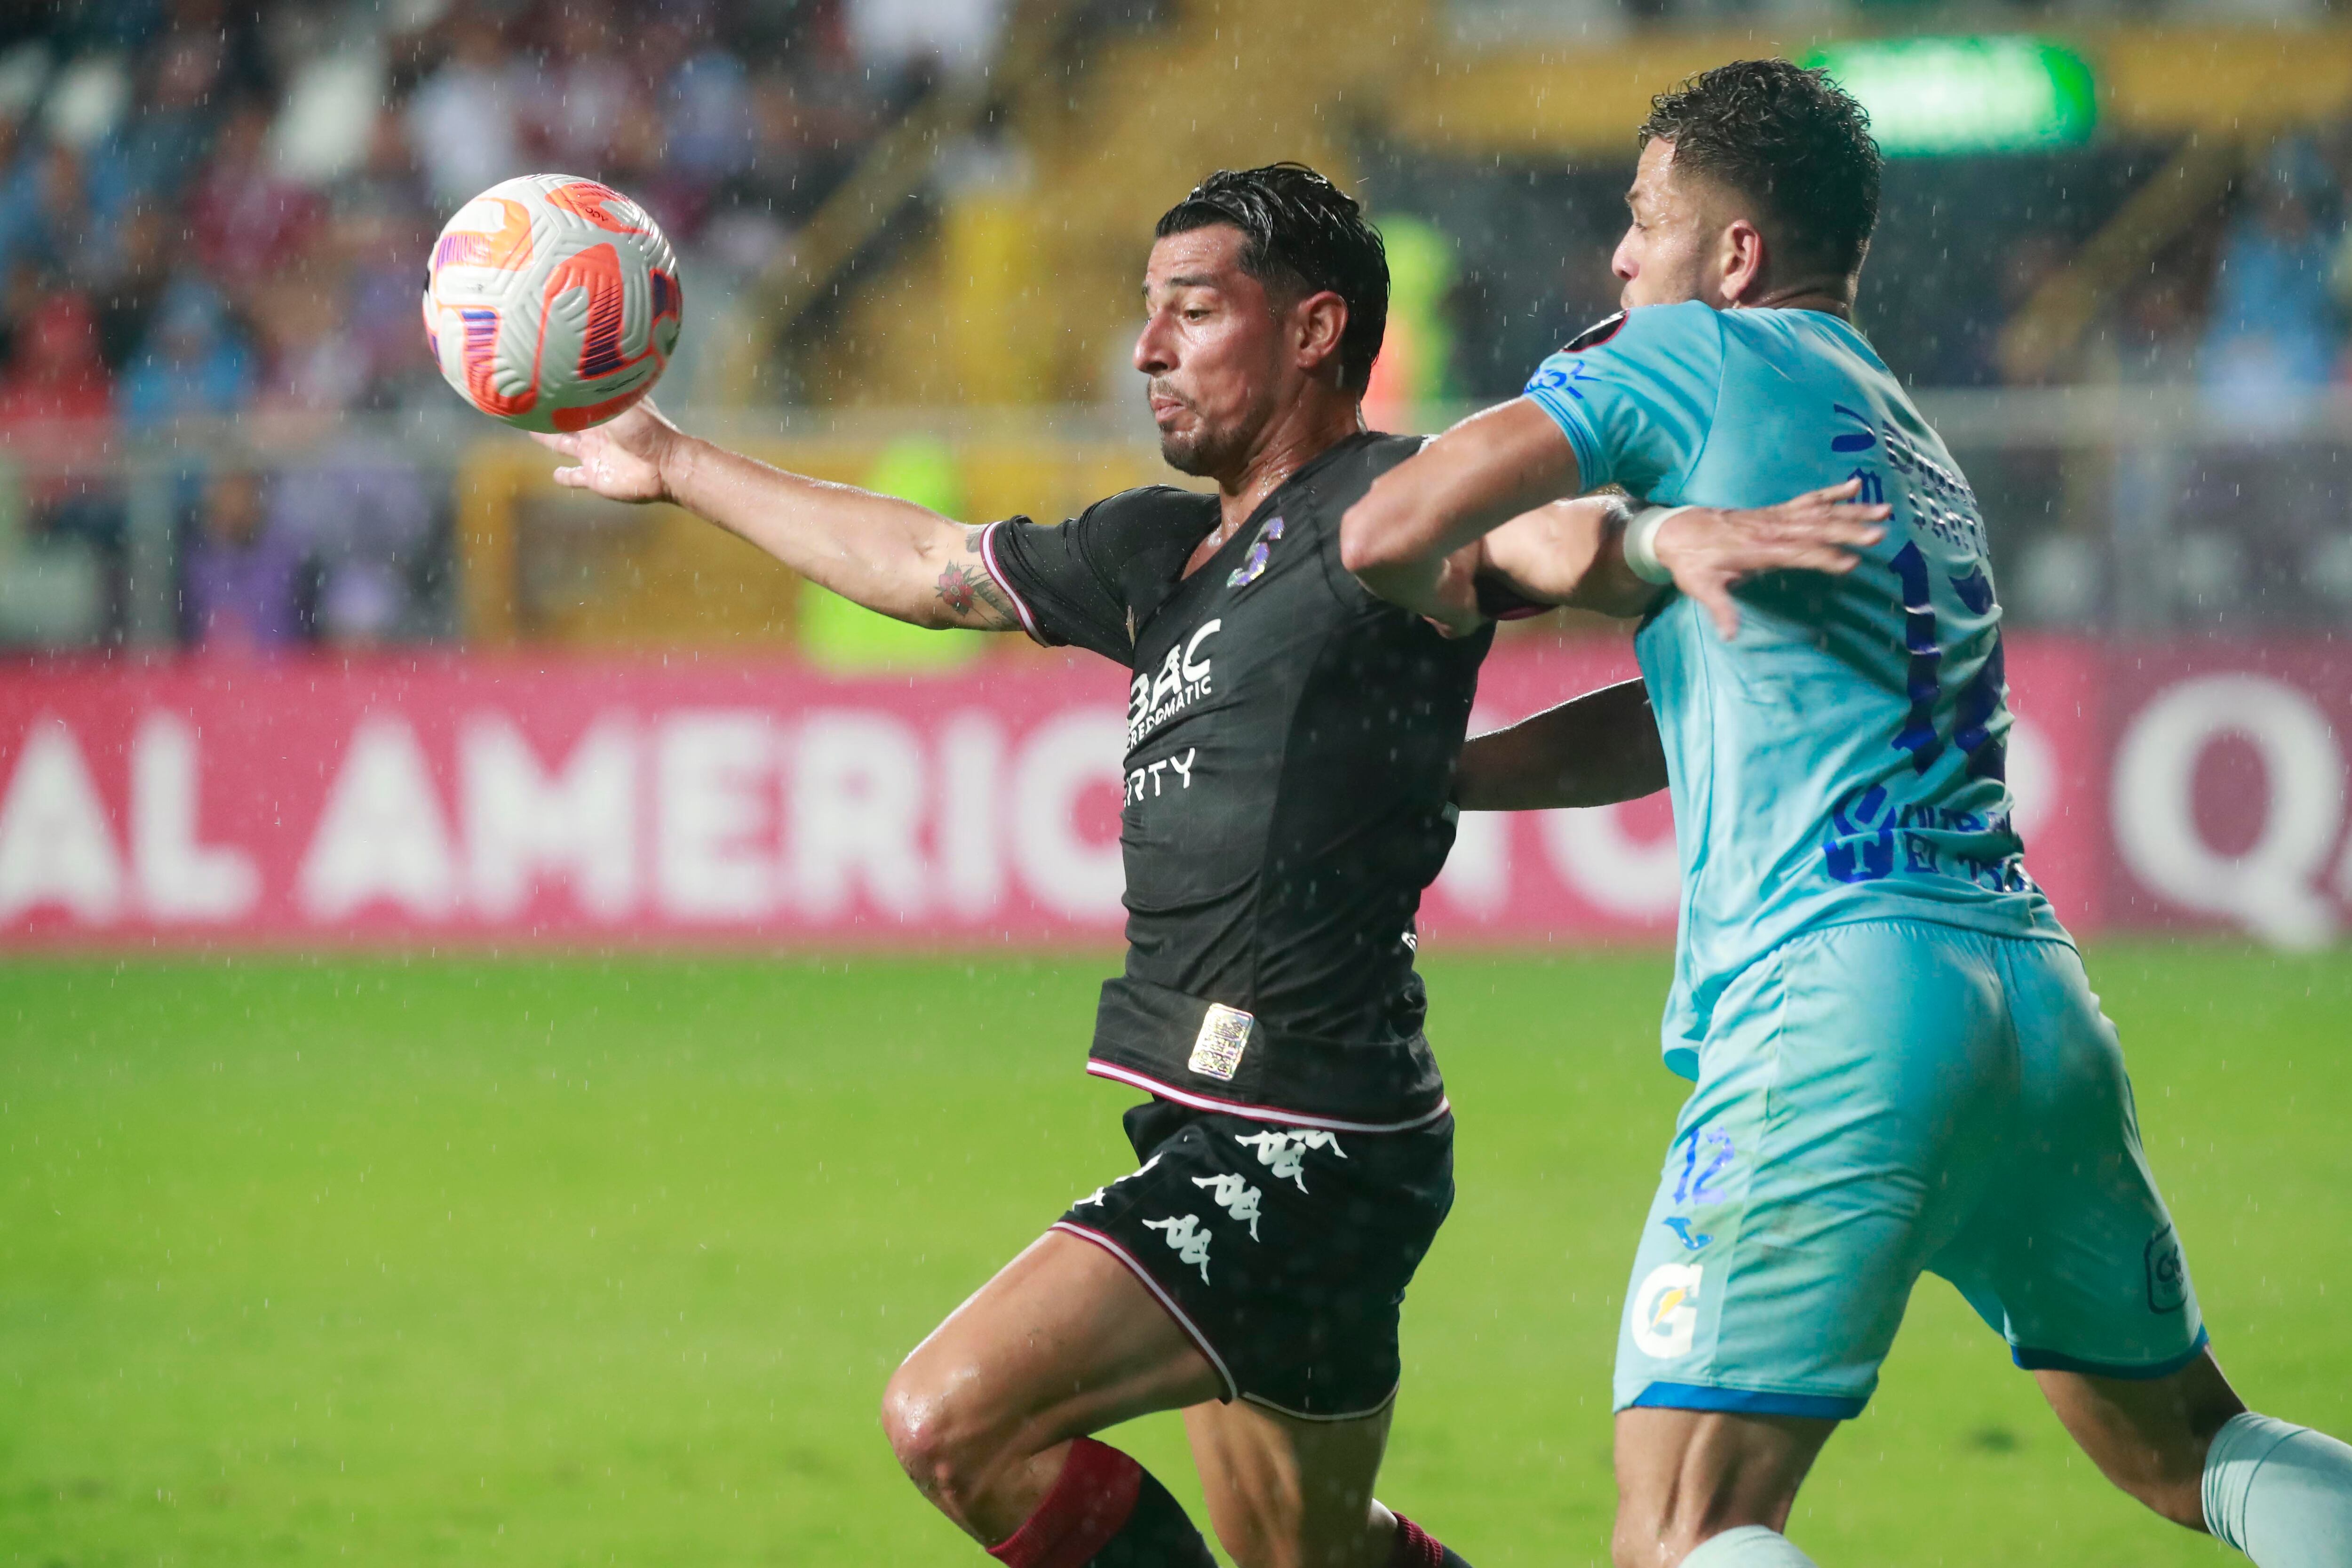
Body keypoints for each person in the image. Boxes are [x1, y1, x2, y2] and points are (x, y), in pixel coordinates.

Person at [535, 162, 1859, 1568]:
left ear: (1314, 331)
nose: (1146, 350)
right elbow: (928, 563)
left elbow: (1549, 536)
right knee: (1313, 1556)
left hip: (1308, 1130)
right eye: (1147, 311)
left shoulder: (1396, 499)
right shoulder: (1156, 551)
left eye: (1193, 311)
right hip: (1255, 1115)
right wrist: (674, 464)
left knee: (952, 1421)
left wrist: (1648, 538)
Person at [1338, 60, 2352, 1568]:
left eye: (1644, 219)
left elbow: (1389, 525)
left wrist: (1597, 544)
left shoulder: (1694, 353)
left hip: (1836, 997)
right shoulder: (1905, 441)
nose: (1620, 259)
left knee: (1686, 1524)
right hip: (2030, 1004)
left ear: (1734, 254)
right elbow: (1687, 716)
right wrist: (1460, 774)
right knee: (2189, 1450)